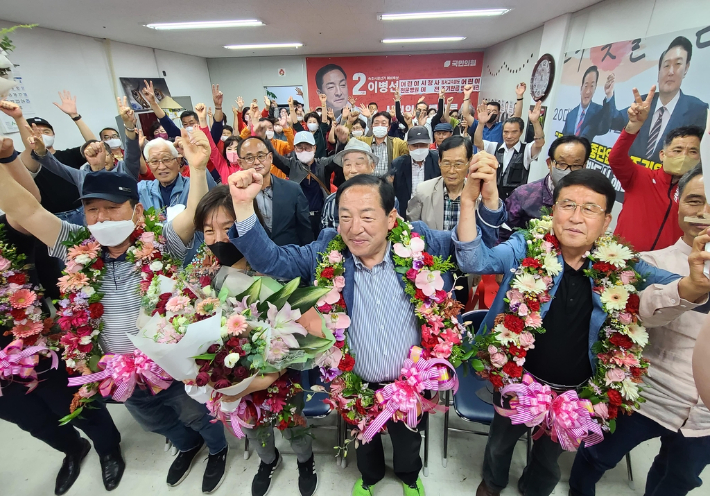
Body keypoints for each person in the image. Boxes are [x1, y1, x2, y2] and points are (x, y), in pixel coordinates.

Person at [224, 146, 506, 496]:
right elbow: (273, 262)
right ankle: (370, 478)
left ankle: (408, 477)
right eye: (345, 217)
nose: (355, 229)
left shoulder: (423, 243)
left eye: (368, 217)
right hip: (355, 381)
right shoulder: (327, 251)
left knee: (407, 443)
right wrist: (241, 204)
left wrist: (483, 200)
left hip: (411, 383)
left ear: (391, 219)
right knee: (365, 442)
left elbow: (474, 253)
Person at [0, 127, 229, 493]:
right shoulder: (74, 245)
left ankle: (215, 449)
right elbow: (25, 209)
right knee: (151, 422)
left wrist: (198, 170)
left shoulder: (161, 244)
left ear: (136, 211)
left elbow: (192, 213)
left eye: (112, 208)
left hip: (168, 364)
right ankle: (186, 446)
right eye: (93, 210)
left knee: (196, 415)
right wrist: (2, 160)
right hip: (117, 370)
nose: (102, 218)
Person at [459, 168, 710, 496]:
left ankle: (534, 490)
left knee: (550, 458)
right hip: (517, 383)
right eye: (568, 205)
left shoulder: (620, 266)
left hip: (572, 395)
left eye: (590, 208)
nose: (576, 217)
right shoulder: (527, 248)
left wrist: (693, 283)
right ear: (553, 212)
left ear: (606, 222)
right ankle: (492, 483)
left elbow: (674, 284)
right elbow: (474, 260)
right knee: (499, 443)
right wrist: (468, 201)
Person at [569, 164, 710, 496]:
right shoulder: (652, 263)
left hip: (704, 418)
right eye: (695, 201)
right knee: (595, 457)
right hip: (645, 397)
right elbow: (642, 313)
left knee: (678, 480)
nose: (704, 212)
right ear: (678, 201)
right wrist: (688, 289)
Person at [0, 137, 125, 495]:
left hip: (33, 344)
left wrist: (7, 157)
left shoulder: (3, 235)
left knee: (75, 402)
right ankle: (72, 448)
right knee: (31, 420)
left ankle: (107, 448)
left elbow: (29, 206)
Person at [609, 86, 702, 252]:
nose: (684, 156)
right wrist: (634, 125)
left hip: (668, 272)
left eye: (693, 151)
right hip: (622, 266)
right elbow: (616, 158)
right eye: (678, 150)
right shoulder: (640, 176)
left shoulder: (700, 194)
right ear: (662, 154)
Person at [606, 36, 708, 164]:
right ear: (659, 72)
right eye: (666, 65)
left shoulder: (698, 110)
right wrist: (609, 95)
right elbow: (615, 120)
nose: (670, 72)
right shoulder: (644, 103)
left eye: (677, 64)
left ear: (686, 68)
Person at [0, 96, 97, 225]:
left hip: (81, 212)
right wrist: (18, 117)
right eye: (35, 131)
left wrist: (75, 116)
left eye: (46, 131)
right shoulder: (23, 160)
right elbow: (32, 149)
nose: (41, 135)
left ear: (53, 134)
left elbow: (94, 146)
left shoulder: (68, 155)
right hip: (52, 218)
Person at [29, 97, 141, 202]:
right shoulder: (82, 176)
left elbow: (132, 153)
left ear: (112, 156)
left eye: (102, 154)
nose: (98, 157)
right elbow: (56, 167)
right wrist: (41, 152)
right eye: (91, 154)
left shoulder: (125, 170)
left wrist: (128, 125)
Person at [501, 135, 591, 241]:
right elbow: (503, 235)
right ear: (549, 163)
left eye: (576, 165)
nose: (568, 170)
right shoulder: (523, 195)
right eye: (561, 164)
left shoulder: (591, 198)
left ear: (584, 166)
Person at [238, 136, 313, 246]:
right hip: (254, 259)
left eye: (261, 156)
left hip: (290, 257)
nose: (257, 162)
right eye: (249, 158)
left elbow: (305, 232)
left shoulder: (293, 189)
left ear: (270, 157)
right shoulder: (237, 196)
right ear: (240, 163)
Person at [266, 128, 335, 239]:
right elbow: (274, 156)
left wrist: (343, 141)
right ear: (295, 149)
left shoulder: (323, 164)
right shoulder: (291, 165)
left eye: (307, 147)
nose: (304, 150)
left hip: (321, 217)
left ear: (314, 148)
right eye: (300, 147)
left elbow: (338, 159)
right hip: (299, 219)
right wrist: (263, 138)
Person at [320, 138, 400, 230]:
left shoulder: (388, 198)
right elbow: (326, 237)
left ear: (372, 166)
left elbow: (395, 233)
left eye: (358, 164)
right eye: (348, 165)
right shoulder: (332, 202)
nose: (353, 170)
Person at [474, 101, 545, 201]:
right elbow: (478, 142)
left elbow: (540, 143)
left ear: (520, 132)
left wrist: (535, 122)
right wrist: (481, 123)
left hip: (516, 202)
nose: (509, 136)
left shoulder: (526, 151)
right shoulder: (495, 147)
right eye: (506, 132)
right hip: (493, 199)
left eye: (514, 132)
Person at [336, 110, 409, 176]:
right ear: (372, 126)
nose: (380, 126)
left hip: (389, 185)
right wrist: (349, 122)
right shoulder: (362, 141)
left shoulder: (397, 143)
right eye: (376, 123)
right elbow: (347, 139)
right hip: (367, 183)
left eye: (383, 123)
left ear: (389, 127)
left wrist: (409, 125)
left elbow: (410, 147)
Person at [390, 126, 441, 217]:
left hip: (432, 210)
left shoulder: (437, 160)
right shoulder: (398, 164)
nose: (419, 149)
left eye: (422, 145)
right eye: (415, 146)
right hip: (407, 211)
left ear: (429, 144)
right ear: (408, 146)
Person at [461, 83, 526, 143]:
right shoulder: (477, 124)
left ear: (499, 113)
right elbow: (466, 114)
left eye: (494, 111)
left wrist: (519, 97)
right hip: (479, 155)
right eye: (489, 111)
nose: (491, 113)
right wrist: (467, 95)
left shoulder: (502, 126)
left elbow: (517, 117)